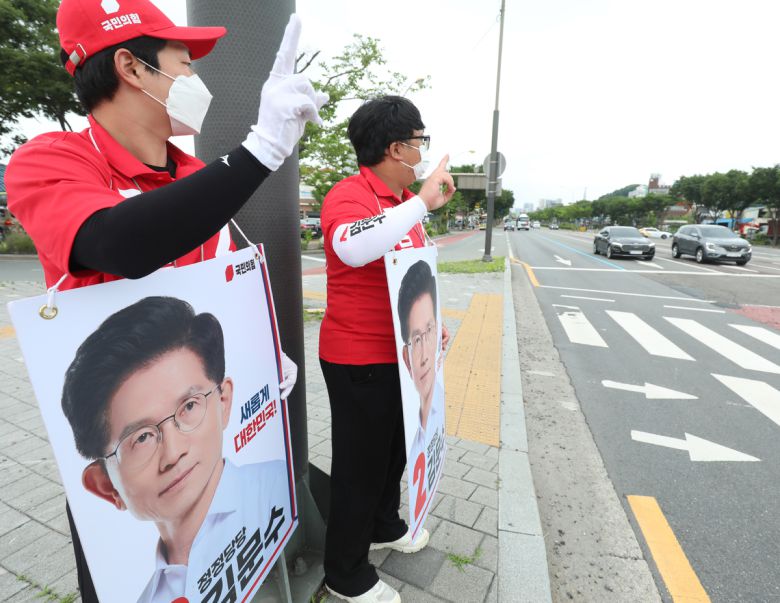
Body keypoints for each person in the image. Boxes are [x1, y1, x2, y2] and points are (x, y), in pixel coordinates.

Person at [5, 0, 325, 599]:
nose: (195, 82)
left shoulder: (193, 175)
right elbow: (122, 241)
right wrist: (258, 151)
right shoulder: (51, 161)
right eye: (185, 63)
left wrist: (258, 356)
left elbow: (224, 282)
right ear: (131, 67)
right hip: (128, 493)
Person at [62, 296, 291, 602]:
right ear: (106, 486)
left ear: (223, 402)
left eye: (189, 407)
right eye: (141, 438)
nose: (173, 454)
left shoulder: (279, 487)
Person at [318, 96, 455, 603]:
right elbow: (352, 247)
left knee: (395, 450)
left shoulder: (400, 206)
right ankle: (345, 573)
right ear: (396, 148)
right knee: (360, 466)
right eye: (419, 141)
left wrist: (432, 325)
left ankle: (384, 523)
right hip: (359, 360)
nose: (422, 149)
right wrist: (422, 201)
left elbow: (409, 279)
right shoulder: (349, 195)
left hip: (401, 357)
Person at [396, 260, 445, 485]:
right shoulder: (408, 429)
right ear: (406, 358)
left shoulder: (440, 405)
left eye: (430, 330)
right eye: (416, 339)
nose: (425, 354)